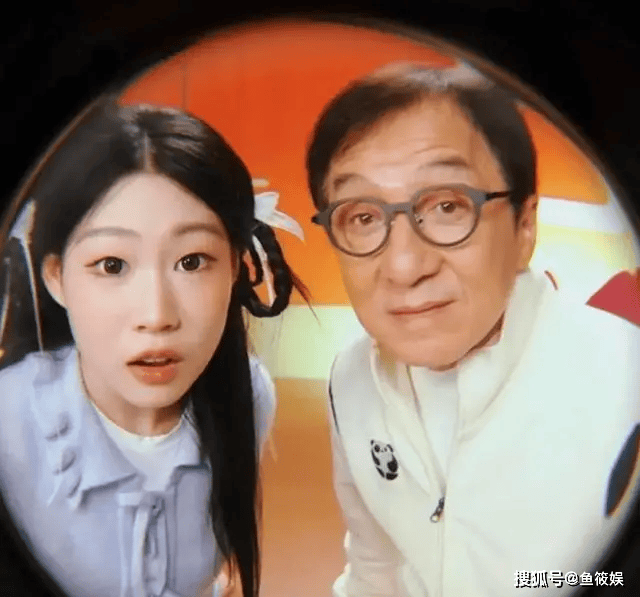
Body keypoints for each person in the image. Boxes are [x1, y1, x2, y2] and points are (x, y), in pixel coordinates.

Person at [306, 63, 640, 596]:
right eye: (363, 217)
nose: (404, 267)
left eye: (447, 206)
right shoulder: (350, 380)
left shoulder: (623, 383)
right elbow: (375, 567)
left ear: (524, 226)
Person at [0, 97, 306, 597]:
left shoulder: (249, 395)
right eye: (112, 265)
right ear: (56, 277)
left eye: (192, 261)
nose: (157, 315)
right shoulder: (8, 420)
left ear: (234, 266)